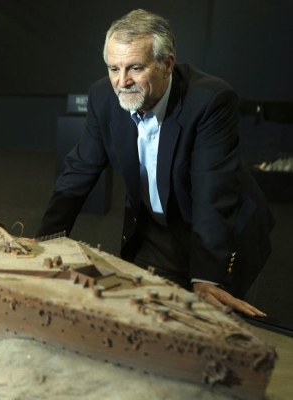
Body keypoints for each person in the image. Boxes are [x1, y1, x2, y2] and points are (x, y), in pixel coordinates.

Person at [37, 9, 274, 317]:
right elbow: (79, 172)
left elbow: (212, 194)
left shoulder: (210, 100)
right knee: (148, 317)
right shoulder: (103, 97)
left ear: (167, 64)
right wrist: (43, 242)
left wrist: (205, 278)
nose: (122, 82)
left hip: (220, 231)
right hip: (156, 230)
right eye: (113, 68)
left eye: (135, 68)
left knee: (216, 328)